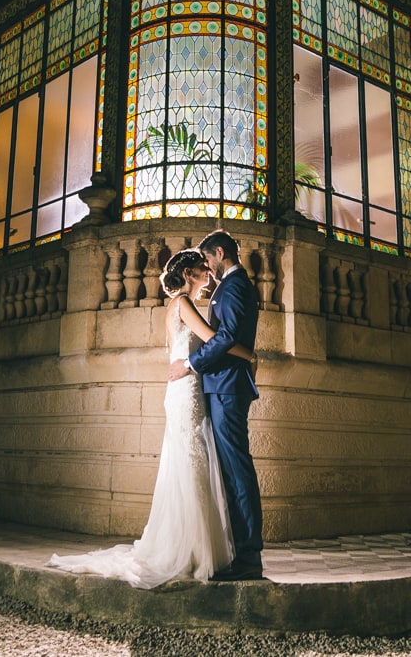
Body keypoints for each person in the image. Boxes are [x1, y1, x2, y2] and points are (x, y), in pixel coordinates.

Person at [47, 250, 257, 589]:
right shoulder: (184, 304)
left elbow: (176, 350)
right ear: (189, 272)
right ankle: (189, 550)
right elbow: (213, 340)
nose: (210, 273)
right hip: (187, 389)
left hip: (181, 389)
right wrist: (249, 354)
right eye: (204, 268)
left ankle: (189, 547)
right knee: (191, 465)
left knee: (188, 465)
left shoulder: (171, 308)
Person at [182, 229, 264, 582]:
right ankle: (238, 550)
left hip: (228, 388)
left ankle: (249, 556)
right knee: (229, 469)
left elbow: (228, 336)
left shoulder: (234, 286)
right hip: (223, 385)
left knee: (236, 468)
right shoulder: (229, 286)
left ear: (219, 253)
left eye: (209, 260)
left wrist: (190, 363)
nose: (208, 268)